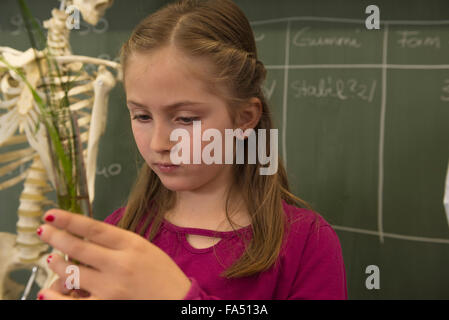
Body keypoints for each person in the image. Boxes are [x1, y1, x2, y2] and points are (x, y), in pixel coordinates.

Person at [35, 0, 348, 300]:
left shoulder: (307, 242)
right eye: (142, 116)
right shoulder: (119, 232)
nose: (159, 143)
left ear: (244, 118)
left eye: (185, 119)